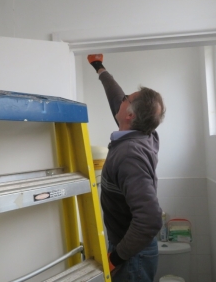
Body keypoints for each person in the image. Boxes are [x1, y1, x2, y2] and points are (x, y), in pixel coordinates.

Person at [87, 54, 166, 282]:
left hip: (132, 257)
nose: (122, 99)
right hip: (134, 249)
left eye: (127, 99)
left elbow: (150, 219)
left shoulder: (130, 154)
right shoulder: (144, 133)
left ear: (129, 115)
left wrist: (116, 258)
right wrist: (99, 68)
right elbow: (116, 98)